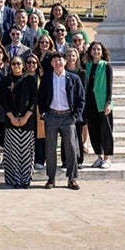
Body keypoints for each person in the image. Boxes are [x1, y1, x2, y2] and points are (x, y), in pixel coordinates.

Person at [39, 52, 85, 190]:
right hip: (51, 115)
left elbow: (81, 98)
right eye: (55, 61)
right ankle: (51, 178)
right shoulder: (47, 78)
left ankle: (72, 178)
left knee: (71, 147)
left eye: (60, 60)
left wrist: (75, 116)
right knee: (50, 148)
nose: (58, 63)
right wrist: (44, 113)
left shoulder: (74, 78)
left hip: (68, 117)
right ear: (51, 63)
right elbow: (41, 97)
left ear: (65, 62)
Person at [0, 55, 37, 188]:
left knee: (26, 153)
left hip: (27, 121)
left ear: (23, 65)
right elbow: (4, 101)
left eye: (18, 64)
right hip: (11, 121)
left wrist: (26, 117)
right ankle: (15, 179)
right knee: (13, 152)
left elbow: (34, 100)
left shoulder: (30, 79)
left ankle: (25, 180)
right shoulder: (6, 80)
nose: (16, 66)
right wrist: (12, 118)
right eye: (13, 64)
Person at [84, 41, 114, 169]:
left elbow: (110, 86)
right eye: (94, 49)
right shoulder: (87, 65)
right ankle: (99, 156)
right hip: (90, 102)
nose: (96, 51)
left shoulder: (106, 65)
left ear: (102, 52)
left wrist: (108, 102)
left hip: (102, 102)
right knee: (93, 131)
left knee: (105, 131)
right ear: (90, 51)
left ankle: (107, 158)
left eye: (98, 49)